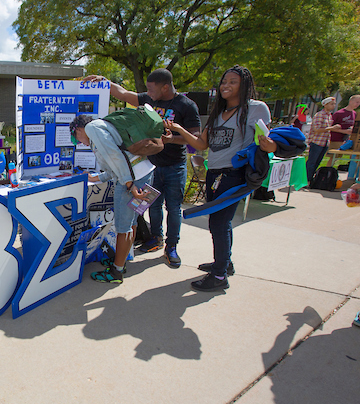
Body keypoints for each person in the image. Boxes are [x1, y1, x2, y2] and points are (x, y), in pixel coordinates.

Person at [161, 65, 277, 292]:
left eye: (232, 82)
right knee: (221, 221)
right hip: (215, 174)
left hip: (235, 174)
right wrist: (177, 129)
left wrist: (271, 145)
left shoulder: (255, 109)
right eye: (224, 81)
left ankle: (219, 275)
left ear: (244, 85)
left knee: (219, 222)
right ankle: (225, 263)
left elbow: (268, 140)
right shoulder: (219, 113)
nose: (226, 85)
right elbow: (201, 144)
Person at [84, 69, 201, 268]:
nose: (147, 92)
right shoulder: (149, 99)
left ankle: (171, 246)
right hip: (149, 168)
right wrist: (105, 81)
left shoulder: (186, 105)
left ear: (165, 87)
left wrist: (173, 138)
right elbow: (122, 93)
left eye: (150, 88)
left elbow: (195, 139)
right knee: (151, 207)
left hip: (173, 167)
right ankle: (156, 239)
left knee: (173, 208)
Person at [69, 113, 159, 283]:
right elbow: (112, 167)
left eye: (76, 137)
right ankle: (121, 262)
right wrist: (96, 178)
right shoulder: (102, 128)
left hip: (132, 180)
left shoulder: (92, 128)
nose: (79, 142)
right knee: (131, 223)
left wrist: (129, 185)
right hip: (144, 173)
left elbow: (116, 157)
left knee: (122, 227)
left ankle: (116, 272)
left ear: (79, 128)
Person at [305, 97, 338, 182]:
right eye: (331, 104)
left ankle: (311, 179)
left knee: (317, 162)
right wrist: (332, 128)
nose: (333, 106)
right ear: (325, 105)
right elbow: (317, 129)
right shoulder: (320, 115)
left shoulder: (329, 115)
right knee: (311, 162)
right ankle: (306, 180)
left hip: (325, 142)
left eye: (334, 104)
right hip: (317, 142)